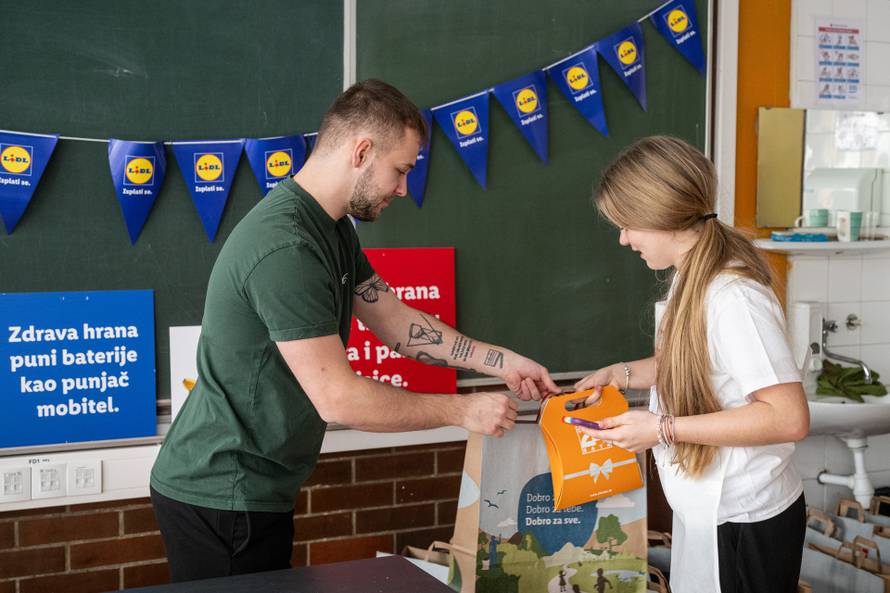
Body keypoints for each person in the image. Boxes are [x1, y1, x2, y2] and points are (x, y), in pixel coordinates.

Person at [149, 79, 559, 582]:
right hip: (221, 493)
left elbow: (395, 321)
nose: (404, 189)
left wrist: (500, 361)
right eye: (401, 170)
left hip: (256, 487)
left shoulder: (332, 227)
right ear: (362, 151)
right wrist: (462, 409)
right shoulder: (288, 247)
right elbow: (338, 399)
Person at [574, 136, 809, 593]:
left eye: (626, 224)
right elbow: (683, 362)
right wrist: (618, 374)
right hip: (710, 511)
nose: (623, 239)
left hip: (745, 519)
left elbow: (788, 417)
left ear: (657, 213)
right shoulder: (692, 277)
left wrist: (662, 429)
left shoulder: (733, 297)